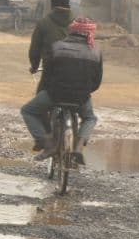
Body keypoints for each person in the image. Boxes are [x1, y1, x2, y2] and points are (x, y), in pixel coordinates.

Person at [22, 18, 102, 162]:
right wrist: (84, 91)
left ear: (71, 30)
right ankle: (78, 147)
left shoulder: (57, 47)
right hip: (81, 97)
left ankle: (48, 144)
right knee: (90, 118)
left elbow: (47, 75)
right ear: (89, 33)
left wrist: (46, 90)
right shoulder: (95, 52)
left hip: (56, 95)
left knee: (28, 110)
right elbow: (96, 82)